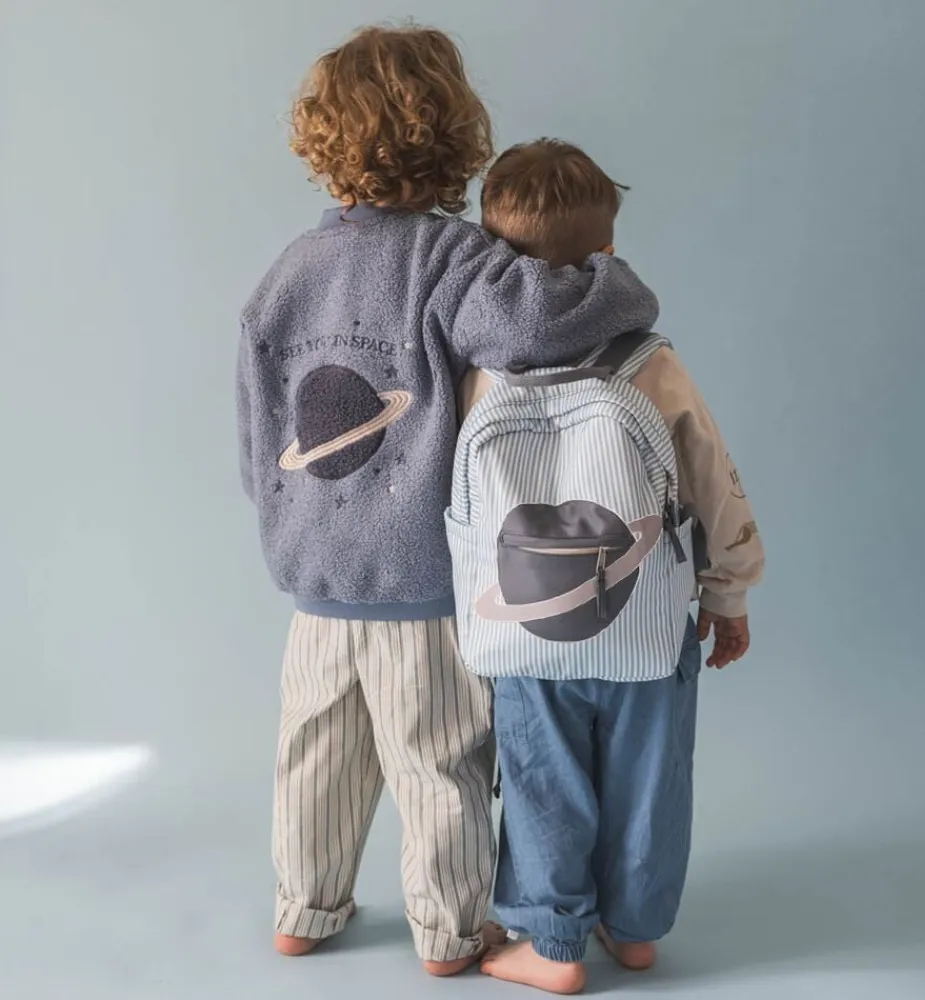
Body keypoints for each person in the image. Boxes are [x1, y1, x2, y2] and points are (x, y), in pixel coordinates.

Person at [236, 31, 659, 976]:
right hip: (420, 577)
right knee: (440, 761)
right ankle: (451, 931)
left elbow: (259, 437)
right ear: (454, 135)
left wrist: (286, 528)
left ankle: (304, 909)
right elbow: (540, 327)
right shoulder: (455, 258)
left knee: (315, 754)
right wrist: (616, 280)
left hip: (314, 577)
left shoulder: (287, 272)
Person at [456, 139, 765, 994]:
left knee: (541, 782)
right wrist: (729, 594)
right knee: (650, 779)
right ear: (607, 252)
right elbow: (714, 484)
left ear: (493, 251)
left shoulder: (480, 368)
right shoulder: (648, 361)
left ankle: (554, 945)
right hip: (648, 619)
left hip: (526, 629)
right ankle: (633, 932)